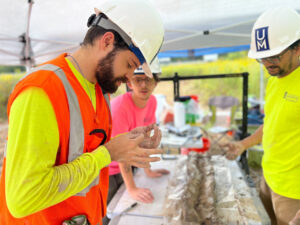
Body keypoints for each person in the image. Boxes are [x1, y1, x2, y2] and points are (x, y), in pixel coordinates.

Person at [0, 0, 164, 224]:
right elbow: (23, 198)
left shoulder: (101, 93)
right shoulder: (42, 90)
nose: (129, 78)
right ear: (107, 41)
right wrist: (108, 154)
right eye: (129, 64)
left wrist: (127, 144)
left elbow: (84, 153)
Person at [222, 6, 300, 225]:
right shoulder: (275, 78)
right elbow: (272, 123)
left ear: (298, 48)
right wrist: (243, 144)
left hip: (294, 192)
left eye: (273, 56)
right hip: (270, 176)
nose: (267, 64)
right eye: (262, 58)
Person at [108, 57, 169, 204]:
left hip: (130, 163)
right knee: (110, 211)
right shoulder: (119, 108)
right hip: (108, 168)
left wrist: (147, 170)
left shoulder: (152, 101)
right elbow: (122, 151)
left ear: (155, 82)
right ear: (129, 83)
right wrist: (132, 188)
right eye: (137, 80)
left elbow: (144, 139)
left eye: (148, 79)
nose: (143, 85)